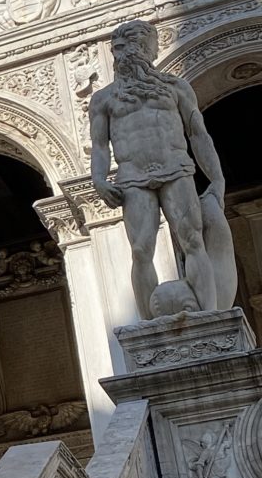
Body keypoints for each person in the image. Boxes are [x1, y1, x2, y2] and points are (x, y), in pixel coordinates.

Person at [89, 18, 230, 318]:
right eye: (119, 49)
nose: (124, 54)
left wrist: (216, 179)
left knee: (192, 240)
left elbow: (198, 134)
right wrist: (99, 178)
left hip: (176, 168)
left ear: (149, 49)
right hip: (132, 177)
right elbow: (100, 146)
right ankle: (149, 325)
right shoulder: (103, 99)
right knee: (141, 250)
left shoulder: (175, 87)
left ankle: (208, 317)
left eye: (134, 46)